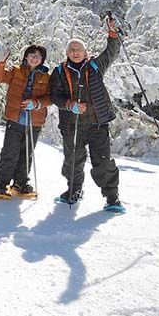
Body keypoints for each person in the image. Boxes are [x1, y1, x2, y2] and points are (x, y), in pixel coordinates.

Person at [49, 18, 124, 211]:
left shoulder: (95, 66)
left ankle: (112, 197)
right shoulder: (58, 71)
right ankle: (74, 190)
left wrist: (113, 35)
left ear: (85, 52)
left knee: (103, 162)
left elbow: (111, 52)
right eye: (72, 49)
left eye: (78, 49)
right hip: (71, 125)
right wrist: (68, 104)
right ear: (67, 53)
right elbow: (55, 95)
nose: (75, 52)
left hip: (97, 124)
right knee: (72, 160)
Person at [0, 43, 50, 199]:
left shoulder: (47, 77)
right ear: (26, 56)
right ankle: (1, 185)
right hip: (15, 119)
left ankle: (20, 183)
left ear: (42, 59)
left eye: (38, 56)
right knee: (9, 152)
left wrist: (37, 103)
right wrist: (0, 63)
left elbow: (51, 98)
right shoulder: (16, 71)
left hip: (34, 121)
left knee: (26, 154)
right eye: (32, 55)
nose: (35, 58)